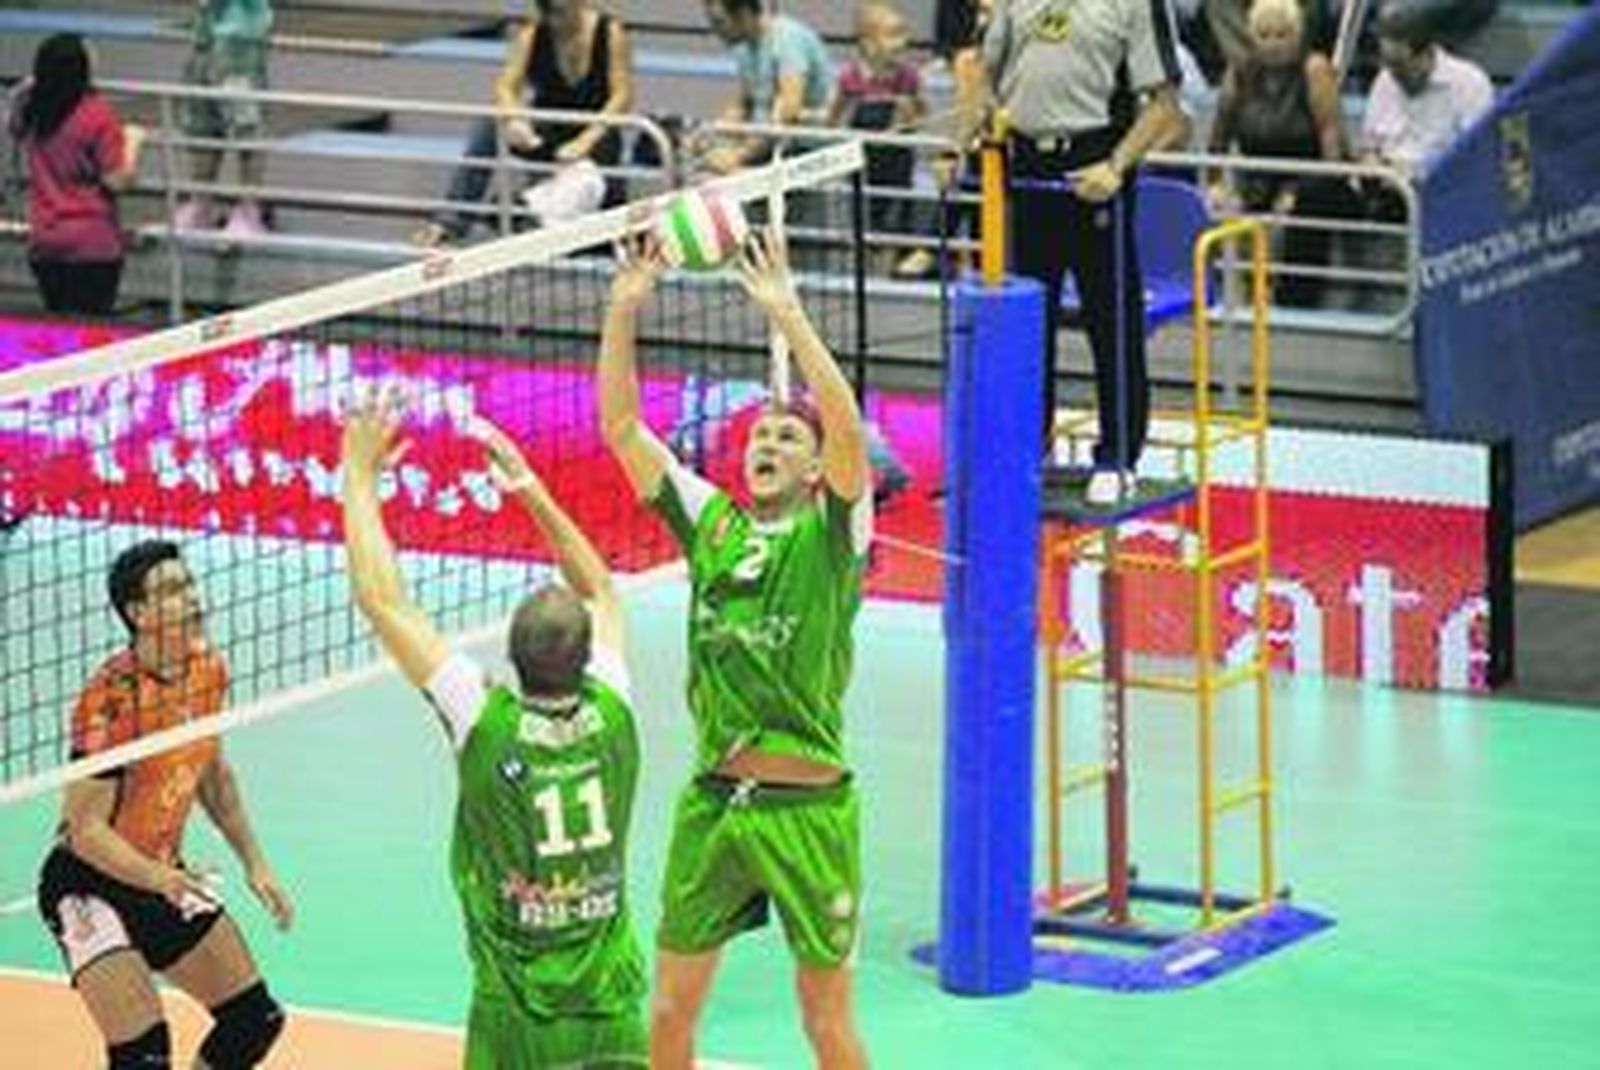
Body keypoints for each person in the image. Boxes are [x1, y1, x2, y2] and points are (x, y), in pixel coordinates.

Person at [597, 230, 871, 1070]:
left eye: (789, 438)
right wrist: (624, 306)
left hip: (809, 815)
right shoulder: (712, 523)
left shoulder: (834, 535)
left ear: (816, 468)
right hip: (715, 804)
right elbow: (621, 427)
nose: (767, 444)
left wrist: (787, 315)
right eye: (760, 434)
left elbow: (850, 432)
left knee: (824, 1023)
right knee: (671, 1012)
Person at [341, 397, 648, 1067]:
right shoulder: (616, 707)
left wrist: (358, 478)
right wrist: (528, 487)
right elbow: (600, 589)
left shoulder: (485, 720)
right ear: (587, 653)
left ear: (507, 658)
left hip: (518, 1016)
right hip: (614, 1010)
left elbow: (382, 599)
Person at [36, 540, 293, 1070]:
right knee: (144, 1057)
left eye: (189, 584)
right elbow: (86, 831)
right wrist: (161, 880)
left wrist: (255, 862)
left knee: (254, 1020)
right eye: (173, 591)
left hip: (160, 875)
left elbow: (213, 776)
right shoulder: (110, 702)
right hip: (91, 885)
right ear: (138, 613)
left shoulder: (208, 672)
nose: (193, 598)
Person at [982, 0, 1189, 503]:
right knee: (1026, 322)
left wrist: (1116, 168)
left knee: (1110, 319)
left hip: (1096, 169)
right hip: (1028, 169)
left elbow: (1165, 103)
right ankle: (1031, 448)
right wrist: (964, 140)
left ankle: (1118, 456)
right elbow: (982, 70)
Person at [416, 0, 634, 247]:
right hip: (547, 131)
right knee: (491, 124)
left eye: (559, 12)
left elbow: (622, 96)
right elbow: (505, 85)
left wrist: (585, 141)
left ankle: (530, 211)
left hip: (595, 135)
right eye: (546, 11)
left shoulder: (612, 33)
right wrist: (515, 118)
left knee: (590, 188)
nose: (553, 20)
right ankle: (451, 222)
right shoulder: (531, 35)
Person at [1207, 0, 1352, 307]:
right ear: (1252, 38)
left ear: (1298, 36)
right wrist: (1215, 185)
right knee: (1220, 208)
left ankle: (1295, 305)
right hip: (1258, 181)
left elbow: (1333, 147)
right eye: (1264, 35)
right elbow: (1217, 141)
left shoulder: (1315, 70)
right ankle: (1231, 303)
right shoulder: (1238, 74)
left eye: (1282, 35)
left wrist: (1299, 192)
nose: (1273, 44)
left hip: (1314, 179)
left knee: (1304, 207)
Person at [10, 34, 146, 316]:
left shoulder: (32, 110)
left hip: (45, 241)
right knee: (92, 330)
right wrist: (133, 141)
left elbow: (15, 119)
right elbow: (116, 180)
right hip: (92, 245)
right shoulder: (97, 115)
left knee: (60, 325)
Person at [828, 2, 927, 277]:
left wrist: (911, 114)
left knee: (898, 211)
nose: (902, 43)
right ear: (868, 43)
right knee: (866, 213)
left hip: (898, 159)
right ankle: (865, 263)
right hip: (864, 160)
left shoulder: (908, 77)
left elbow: (922, 113)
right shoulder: (851, 78)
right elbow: (835, 116)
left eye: (904, 34)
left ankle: (897, 263)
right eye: (893, 34)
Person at [1361, 3, 1494, 186]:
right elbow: (1370, 146)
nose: (1395, 76)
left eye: (1400, 66)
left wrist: (1416, 172)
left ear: (1426, 52)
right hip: (1390, 191)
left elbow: (1477, 156)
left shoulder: (1470, 83)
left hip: (1442, 191)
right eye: (1388, 64)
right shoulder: (1385, 79)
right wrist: (1372, 163)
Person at [695, 0, 832, 175]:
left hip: (806, 157)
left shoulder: (787, 41)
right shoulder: (744, 48)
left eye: (720, 22)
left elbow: (786, 116)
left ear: (744, 14)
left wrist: (738, 155)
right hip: (768, 149)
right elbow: (742, 104)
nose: (715, 31)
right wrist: (709, 137)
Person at [174, 0, 274, 238]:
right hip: (204, 35)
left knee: (246, 127)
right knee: (200, 123)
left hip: (239, 38)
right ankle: (201, 203)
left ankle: (249, 211)